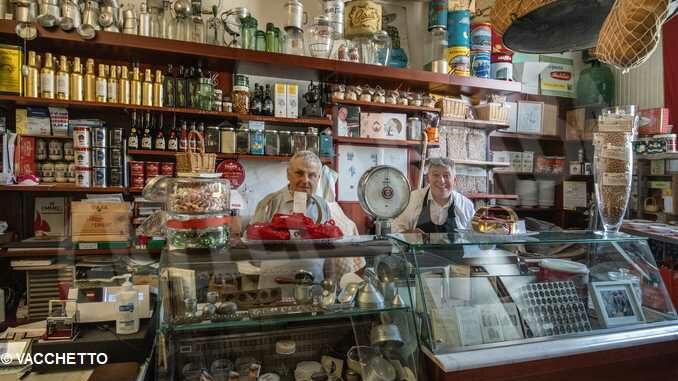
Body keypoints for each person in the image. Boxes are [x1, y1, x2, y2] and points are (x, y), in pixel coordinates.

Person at [252, 150, 365, 288]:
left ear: (318, 178)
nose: (305, 180)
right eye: (299, 173)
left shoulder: (322, 205)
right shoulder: (268, 203)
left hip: (314, 283)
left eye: (312, 175)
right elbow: (253, 252)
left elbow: (328, 249)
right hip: (274, 285)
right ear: (288, 174)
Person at [392, 157, 475, 233]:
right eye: (436, 175)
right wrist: (409, 234)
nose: (441, 180)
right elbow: (395, 230)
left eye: (446, 176)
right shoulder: (413, 199)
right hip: (420, 249)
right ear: (428, 179)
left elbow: (474, 239)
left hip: (456, 250)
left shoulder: (466, 206)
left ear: (455, 180)